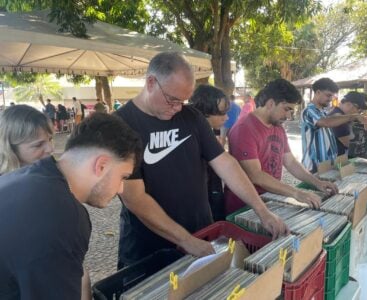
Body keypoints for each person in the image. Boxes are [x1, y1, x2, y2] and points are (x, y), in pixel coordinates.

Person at [115, 52, 287, 268]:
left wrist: (262, 211)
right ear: (151, 83)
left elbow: (225, 163)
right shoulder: (120, 125)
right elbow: (135, 198)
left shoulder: (192, 117)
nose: (178, 108)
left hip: (201, 233)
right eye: (173, 99)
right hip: (147, 248)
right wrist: (185, 240)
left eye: (183, 101)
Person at [0, 113, 142, 299]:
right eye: (123, 176)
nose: (121, 188)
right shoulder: (62, 213)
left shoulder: (27, 178)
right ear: (101, 166)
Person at [225, 79, 338, 213]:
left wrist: (317, 182)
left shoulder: (277, 126)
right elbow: (255, 175)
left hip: (270, 198)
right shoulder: (244, 129)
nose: (289, 116)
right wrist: (296, 193)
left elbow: (290, 161)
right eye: (287, 109)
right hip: (245, 206)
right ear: (271, 103)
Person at [301, 78, 367, 172]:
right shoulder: (308, 111)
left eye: (332, 96)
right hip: (314, 165)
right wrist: (353, 116)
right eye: (328, 95)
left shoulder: (323, 111)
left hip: (327, 164)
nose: (330, 99)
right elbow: (326, 122)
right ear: (318, 92)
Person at [189, 84, 230, 220]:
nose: (226, 118)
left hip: (212, 195)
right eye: (221, 113)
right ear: (205, 112)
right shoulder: (192, 138)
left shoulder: (210, 132)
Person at [0, 105, 54, 175]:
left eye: (50, 139)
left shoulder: (46, 168)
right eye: (38, 145)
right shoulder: (5, 184)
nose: (51, 149)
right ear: (10, 148)